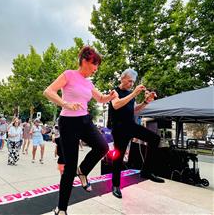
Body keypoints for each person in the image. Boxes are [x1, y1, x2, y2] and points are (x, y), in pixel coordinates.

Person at [43, 46, 118, 215]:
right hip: (68, 122)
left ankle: (83, 170)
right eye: (94, 64)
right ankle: (61, 209)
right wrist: (65, 103)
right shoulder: (69, 74)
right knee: (69, 168)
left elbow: (100, 98)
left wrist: (110, 96)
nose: (95, 69)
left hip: (85, 120)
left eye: (97, 65)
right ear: (84, 61)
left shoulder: (89, 82)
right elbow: (48, 91)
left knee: (103, 147)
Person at [108, 68, 164, 199]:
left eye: (133, 82)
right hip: (119, 129)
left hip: (131, 126)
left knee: (155, 138)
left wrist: (145, 102)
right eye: (129, 81)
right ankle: (115, 185)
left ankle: (146, 171)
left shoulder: (129, 94)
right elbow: (116, 105)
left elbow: (134, 110)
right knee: (119, 156)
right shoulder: (114, 92)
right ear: (122, 78)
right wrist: (134, 93)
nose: (131, 84)